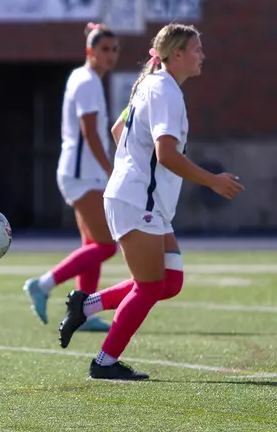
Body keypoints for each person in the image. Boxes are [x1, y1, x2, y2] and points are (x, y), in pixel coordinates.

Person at [57, 23, 244, 379]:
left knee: (169, 282)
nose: (202, 55)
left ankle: (86, 304)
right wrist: (212, 181)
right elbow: (167, 154)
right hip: (137, 201)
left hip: (145, 200)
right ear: (176, 54)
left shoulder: (152, 85)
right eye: (196, 49)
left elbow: (117, 131)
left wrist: (134, 166)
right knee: (149, 286)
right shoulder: (165, 91)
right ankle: (104, 362)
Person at [24, 23, 119, 331]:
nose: (110, 55)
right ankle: (43, 284)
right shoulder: (88, 80)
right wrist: (111, 170)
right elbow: (89, 133)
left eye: (114, 50)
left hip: (82, 172)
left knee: (91, 245)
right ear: (89, 51)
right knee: (106, 246)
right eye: (104, 49)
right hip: (83, 173)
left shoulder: (87, 79)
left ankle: (85, 311)